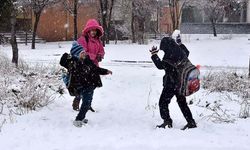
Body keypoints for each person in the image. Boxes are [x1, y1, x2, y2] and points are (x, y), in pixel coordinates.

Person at [60, 42, 112, 127]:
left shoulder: (88, 61)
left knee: (87, 102)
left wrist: (106, 71)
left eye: (84, 52)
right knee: (86, 103)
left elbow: (96, 69)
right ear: (77, 55)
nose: (84, 54)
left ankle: (81, 117)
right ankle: (78, 119)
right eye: (81, 53)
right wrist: (67, 55)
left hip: (89, 85)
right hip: (80, 87)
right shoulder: (73, 63)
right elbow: (62, 62)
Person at [150, 36, 197, 130]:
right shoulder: (181, 52)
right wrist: (180, 44)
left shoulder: (169, 56)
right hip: (181, 83)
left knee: (163, 102)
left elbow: (160, 66)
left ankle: (167, 122)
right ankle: (191, 122)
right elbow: (187, 52)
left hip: (171, 84)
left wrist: (154, 54)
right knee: (182, 103)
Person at [71, 19, 105, 111]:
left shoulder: (98, 40)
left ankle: (88, 104)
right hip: (84, 67)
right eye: (92, 30)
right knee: (84, 86)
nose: (93, 32)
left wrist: (100, 55)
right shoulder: (83, 39)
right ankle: (77, 99)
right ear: (88, 30)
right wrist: (94, 56)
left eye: (95, 30)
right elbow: (83, 53)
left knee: (92, 86)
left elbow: (102, 50)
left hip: (94, 67)